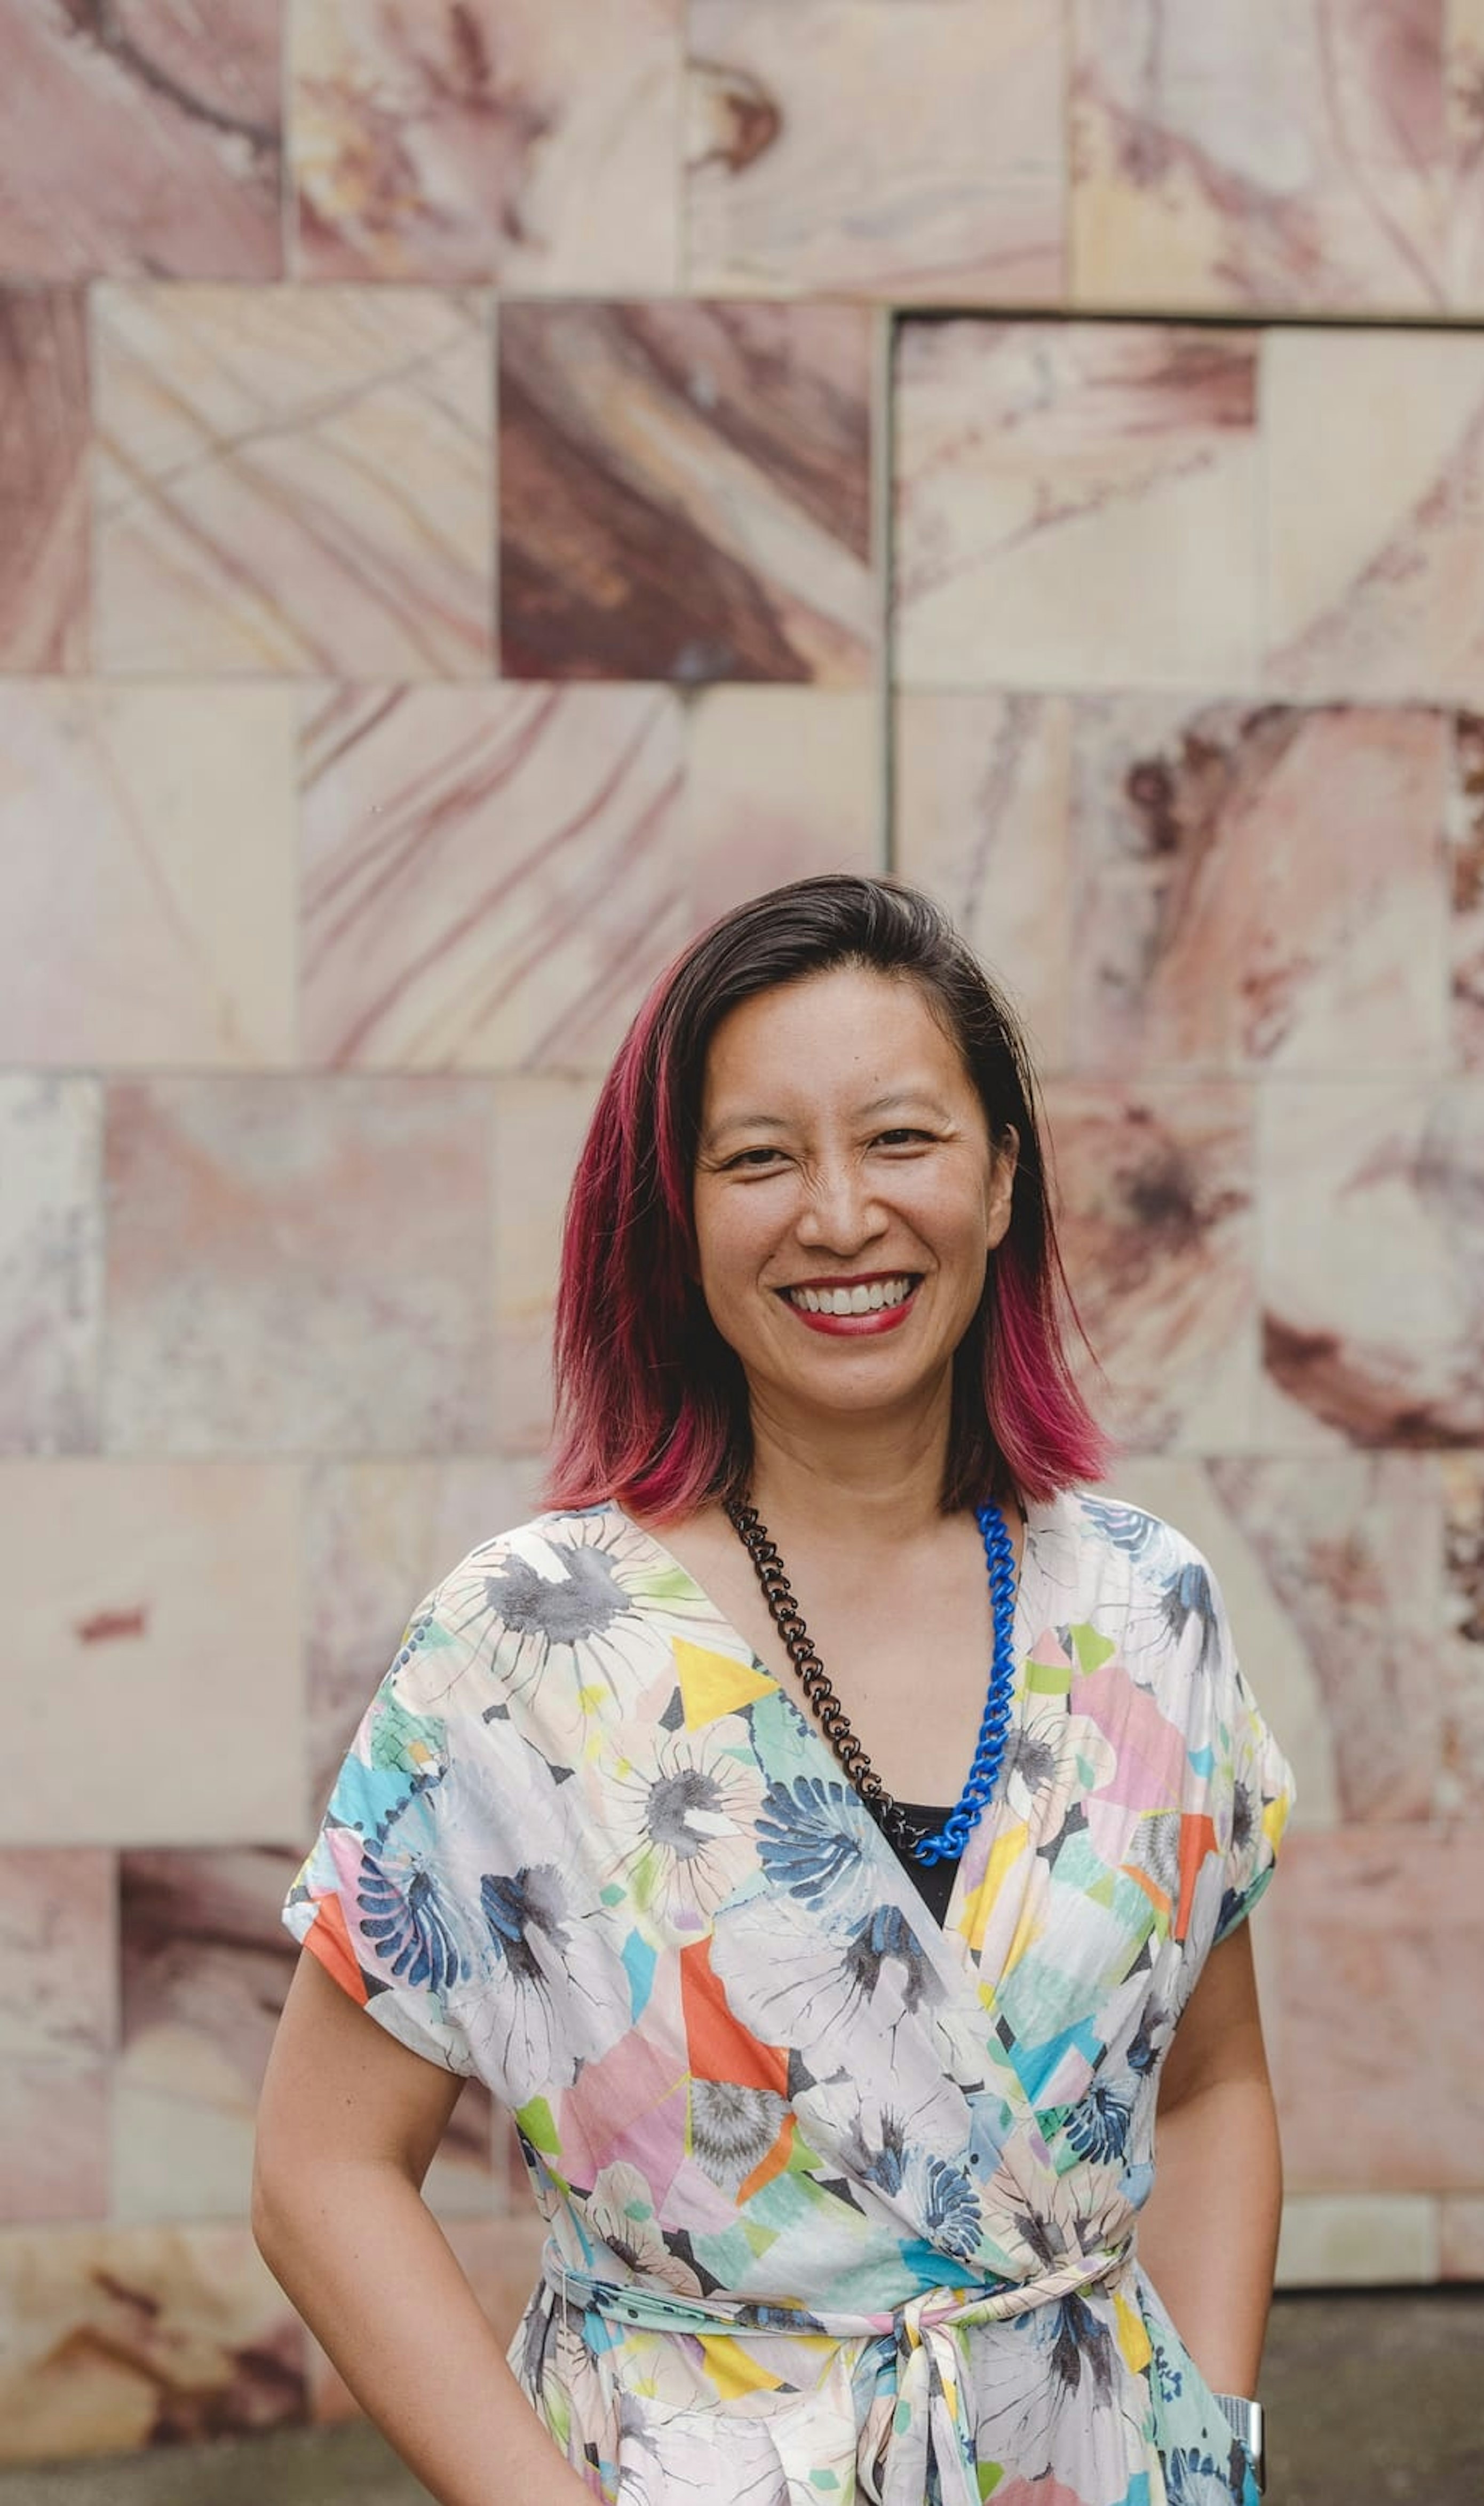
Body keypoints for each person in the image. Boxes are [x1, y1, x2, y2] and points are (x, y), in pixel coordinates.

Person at [252, 873, 1297, 2506]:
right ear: (676, 1210)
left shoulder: (1149, 1613)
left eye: (901, 1140)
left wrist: (1211, 2442)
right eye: (759, 1158)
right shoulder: (525, 1649)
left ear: (1003, 1174)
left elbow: (1221, 2078)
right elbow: (320, 2169)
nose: (838, 1216)